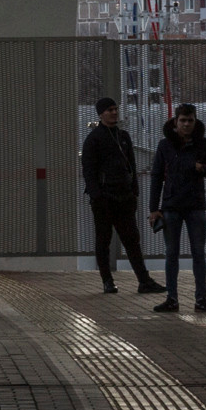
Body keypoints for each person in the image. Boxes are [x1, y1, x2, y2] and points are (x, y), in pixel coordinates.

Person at [149, 103, 206, 313]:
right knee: (171, 253)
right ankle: (172, 298)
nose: (186, 124)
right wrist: (154, 208)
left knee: (198, 253)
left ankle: (201, 299)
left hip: (195, 206)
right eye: (182, 120)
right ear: (176, 122)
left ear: (195, 121)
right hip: (171, 206)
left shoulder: (204, 144)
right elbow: (156, 177)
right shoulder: (165, 145)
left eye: (190, 120)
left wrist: (202, 168)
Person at [80, 98, 162, 295]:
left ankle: (144, 280)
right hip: (105, 198)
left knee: (132, 240)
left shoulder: (123, 136)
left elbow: (131, 167)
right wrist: (97, 196)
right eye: (110, 110)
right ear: (101, 114)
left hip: (124, 197)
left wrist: (134, 192)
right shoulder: (94, 139)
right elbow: (88, 171)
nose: (114, 113)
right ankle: (108, 280)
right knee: (104, 240)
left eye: (116, 109)